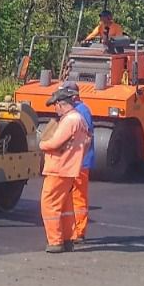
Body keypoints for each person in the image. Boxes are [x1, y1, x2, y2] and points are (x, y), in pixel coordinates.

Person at [37, 84, 92, 254]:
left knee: (50, 205)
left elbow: (55, 143)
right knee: (66, 207)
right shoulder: (80, 119)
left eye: (56, 105)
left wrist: (41, 144)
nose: (55, 109)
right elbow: (87, 142)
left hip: (58, 168)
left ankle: (55, 241)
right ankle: (68, 238)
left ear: (61, 104)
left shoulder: (69, 121)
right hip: (69, 169)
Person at [61, 81, 94, 245]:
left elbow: (87, 137)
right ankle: (72, 230)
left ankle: (79, 232)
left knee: (79, 197)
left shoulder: (82, 111)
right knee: (70, 197)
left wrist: (79, 158)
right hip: (73, 162)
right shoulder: (75, 111)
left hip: (80, 163)